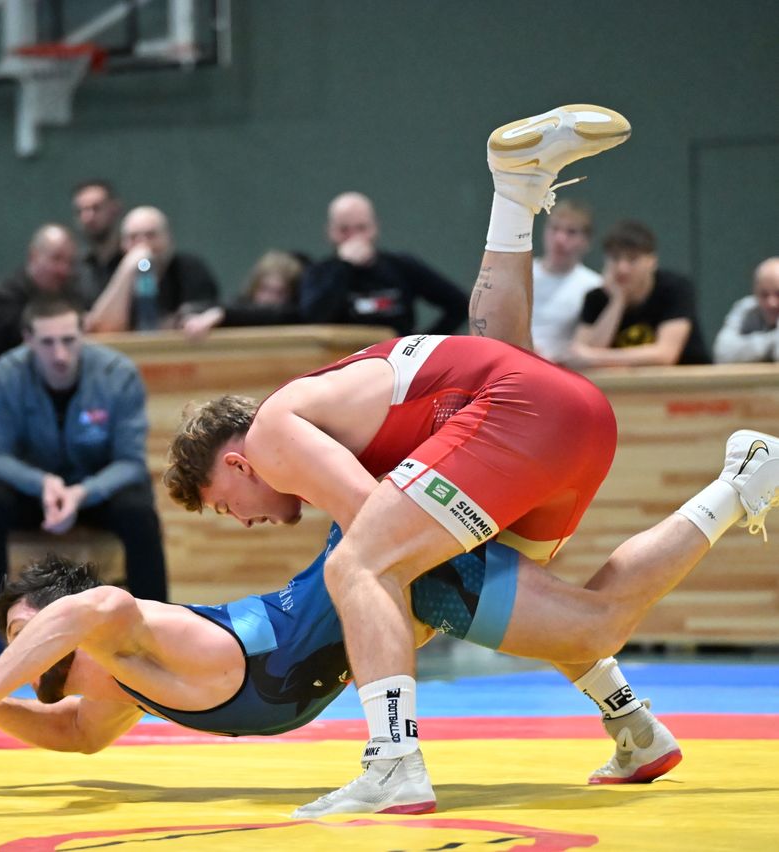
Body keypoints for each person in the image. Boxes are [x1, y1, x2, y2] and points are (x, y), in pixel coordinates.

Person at [160, 104, 756, 817]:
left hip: (523, 413)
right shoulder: (347, 403)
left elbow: (368, 531)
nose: (244, 521)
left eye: (228, 506)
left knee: (361, 563)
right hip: (571, 413)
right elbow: (498, 349)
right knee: (574, 618)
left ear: (234, 462)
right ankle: (643, 709)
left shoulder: (272, 434)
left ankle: (393, 765)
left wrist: (381, 638)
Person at [0, 425, 777, 797]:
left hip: (369, 578)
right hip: (361, 603)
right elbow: (75, 733)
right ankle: (636, 729)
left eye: (30, 633)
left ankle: (736, 489)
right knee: (557, 621)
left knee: (591, 621)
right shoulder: (124, 679)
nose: (30, 655)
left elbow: (92, 607)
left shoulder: (125, 623)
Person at [0, 296, 168, 681]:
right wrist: (44, 484)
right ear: (27, 339)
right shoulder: (6, 374)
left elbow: (130, 461)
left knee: (139, 510)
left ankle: (153, 632)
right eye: (47, 342)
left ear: (83, 334)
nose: (60, 354)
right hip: (33, 490)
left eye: (69, 340)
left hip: (94, 492)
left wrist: (81, 493)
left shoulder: (117, 373)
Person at [299, 192, 467, 335]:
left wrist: (424, 346)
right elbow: (313, 317)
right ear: (330, 232)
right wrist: (344, 267)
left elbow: (459, 304)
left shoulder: (401, 266)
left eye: (361, 228)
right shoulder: (319, 273)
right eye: (344, 230)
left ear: (375, 228)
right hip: (344, 365)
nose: (354, 237)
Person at [0, 223, 85, 418]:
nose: (63, 269)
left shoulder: (70, 293)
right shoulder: (4, 298)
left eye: (70, 262)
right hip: (5, 409)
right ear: (33, 256)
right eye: (56, 259)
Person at [565, 220, 710, 368]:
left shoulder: (675, 289)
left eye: (632, 259)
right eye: (615, 258)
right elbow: (581, 356)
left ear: (652, 261)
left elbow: (665, 355)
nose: (622, 268)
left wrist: (596, 358)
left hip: (686, 385)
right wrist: (617, 302)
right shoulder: (595, 298)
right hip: (624, 388)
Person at [84, 206, 220, 333]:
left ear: (169, 238)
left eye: (151, 235)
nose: (142, 243)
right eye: (133, 237)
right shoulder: (111, 271)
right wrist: (127, 270)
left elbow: (204, 313)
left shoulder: (188, 268)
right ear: (123, 244)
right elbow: (102, 328)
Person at [530, 199, 602, 362]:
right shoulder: (520, 274)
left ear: (587, 241)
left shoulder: (594, 287)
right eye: (554, 228)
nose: (560, 239)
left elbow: (590, 345)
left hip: (562, 373)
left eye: (571, 232)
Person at [182, 250, 306, 337]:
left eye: (279, 293)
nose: (269, 298)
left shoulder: (293, 313)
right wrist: (191, 315)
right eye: (265, 289)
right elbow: (195, 308)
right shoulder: (241, 304)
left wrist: (222, 314)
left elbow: (276, 314)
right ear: (255, 286)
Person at [713, 257, 779, 363]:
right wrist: (772, 341)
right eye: (764, 294)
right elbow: (722, 353)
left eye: (778, 294)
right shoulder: (748, 308)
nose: (771, 302)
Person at [71, 179, 124, 302]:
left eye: (96, 208)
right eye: (81, 211)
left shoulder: (138, 261)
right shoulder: (74, 269)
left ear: (115, 209)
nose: (88, 217)